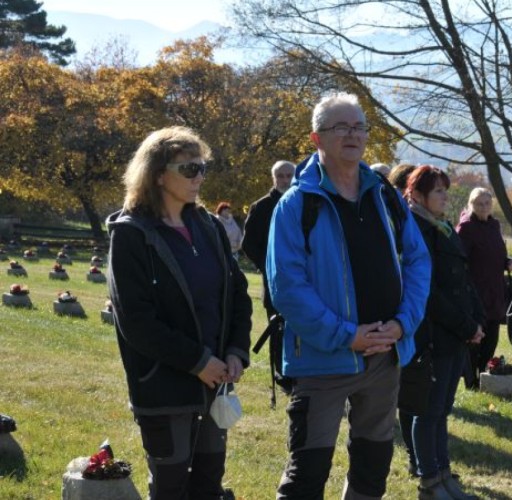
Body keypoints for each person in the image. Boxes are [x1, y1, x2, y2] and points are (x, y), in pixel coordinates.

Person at [267, 92, 431, 500]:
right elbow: (286, 286)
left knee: (372, 470)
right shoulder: (296, 205)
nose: (352, 134)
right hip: (323, 359)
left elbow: (418, 261)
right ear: (316, 138)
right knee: (306, 475)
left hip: (385, 355)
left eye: (358, 126)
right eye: (340, 127)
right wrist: (346, 335)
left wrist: (402, 323)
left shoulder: (386, 197)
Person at [107, 126, 252, 500]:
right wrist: (198, 361)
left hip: (216, 383)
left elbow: (237, 293)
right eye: (188, 169)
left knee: (208, 484)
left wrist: (236, 350)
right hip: (164, 387)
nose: (199, 176)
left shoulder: (209, 227)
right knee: (170, 488)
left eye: (202, 167)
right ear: (157, 175)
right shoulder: (130, 235)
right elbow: (136, 321)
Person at [403, 165, 485, 500]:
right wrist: (466, 326)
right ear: (418, 195)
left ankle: (444, 473)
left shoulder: (445, 227)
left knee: (443, 410)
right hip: (433, 334)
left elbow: (463, 281)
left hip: (456, 335)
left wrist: (477, 321)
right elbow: (430, 292)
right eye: (438, 191)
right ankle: (429, 481)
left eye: (444, 190)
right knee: (428, 410)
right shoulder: (416, 229)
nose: (444, 196)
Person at [456, 187, 512, 389]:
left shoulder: (494, 225)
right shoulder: (465, 228)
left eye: (487, 203)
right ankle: (470, 382)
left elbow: (497, 252)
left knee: (491, 339)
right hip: (475, 292)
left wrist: (507, 261)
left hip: (495, 291)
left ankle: (483, 377)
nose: (483, 207)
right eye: (479, 203)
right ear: (471, 205)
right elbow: (458, 260)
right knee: (474, 340)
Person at [241, 160, 295, 317]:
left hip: (304, 280)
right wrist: (268, 266)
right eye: (280, 176)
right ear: (274, 178)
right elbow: (248, 244)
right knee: (277, 335)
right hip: (275, 282)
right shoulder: (262, 206)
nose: (285, 180)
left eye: (289, 176)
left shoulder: (305, 203)